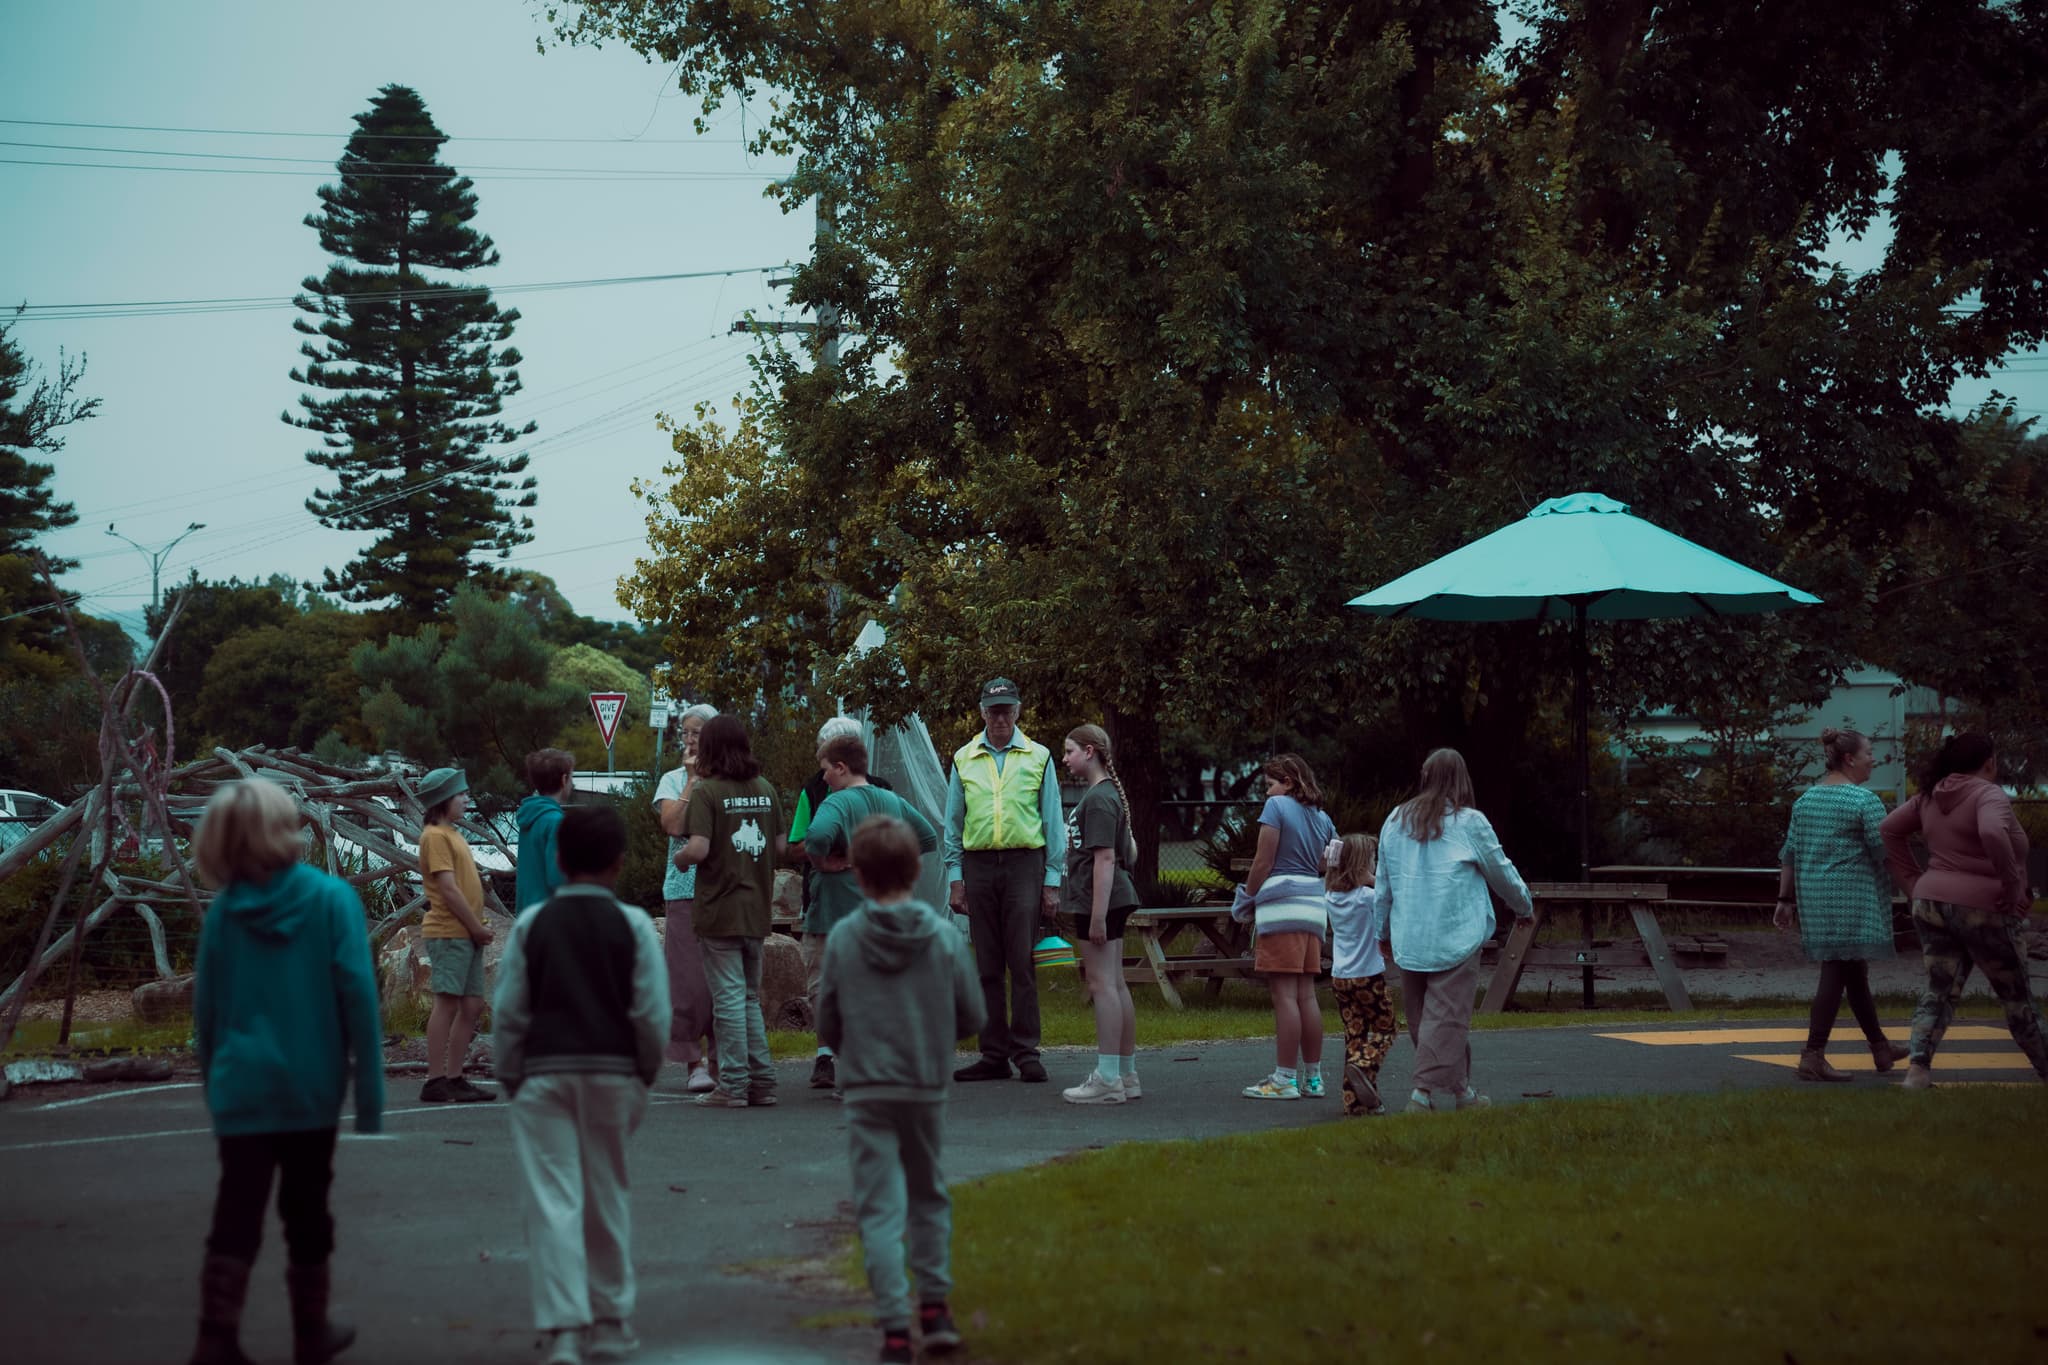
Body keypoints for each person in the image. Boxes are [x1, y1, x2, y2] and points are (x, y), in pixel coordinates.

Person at [188, 778, 383, 1365]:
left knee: (237, 1208)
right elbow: (358, 999)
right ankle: (309, 1330)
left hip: (240, 1088)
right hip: (309, 1086)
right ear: (284, 827)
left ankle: (215, 1337)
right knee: (307, 1209)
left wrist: (213, 1090)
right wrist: (369, 1097)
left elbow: (209, 1012)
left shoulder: (223, 914)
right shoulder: (331, 900)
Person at [494, 806, 670, 1365]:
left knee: (553, 1200)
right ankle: (613, 1321)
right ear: (620, 863)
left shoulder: (530, 926)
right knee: (606, 1193)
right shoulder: (636, 926)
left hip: (544, 1072)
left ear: (559, 859)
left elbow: (510, 1014)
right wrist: (644, 1070)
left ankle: (565, 1329)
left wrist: (510, 1074)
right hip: (614, 1071)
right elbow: (650, 1013)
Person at [816, 816, 984, 1365]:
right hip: (925, 1082)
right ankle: (935, 1308)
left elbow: (828, 1018)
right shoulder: (940, 937)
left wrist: (848, 1050)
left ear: (859, 876)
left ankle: (893, 1328)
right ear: (917, 870)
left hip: (866, 1085)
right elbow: (971, 1014)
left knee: (879, 1208)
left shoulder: (844, 938)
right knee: (928, 1193)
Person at [1880, 732, 2048, 1089]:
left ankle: (1918, 1071)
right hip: (1984, 907)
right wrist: (2011, 883)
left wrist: (1912, 882)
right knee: (2016, 995)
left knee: (1938, 989)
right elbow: (1990, 832)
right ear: (1990, 762)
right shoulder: (1988, 794)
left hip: (1931, 903)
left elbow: (1888, 830)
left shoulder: (1929, 795)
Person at [1374, 748, 1531, 1113]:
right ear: (1462, 779)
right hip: (1456, 932)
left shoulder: (1395, 820)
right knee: (1446, 1018)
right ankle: (1421, 1095)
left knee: (1423, 1019)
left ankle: (1463, 1095)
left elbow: (1384, 884)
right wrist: (1524, 906)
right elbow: (1501, 871)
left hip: (1410, 934)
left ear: (1425, 775)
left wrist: (1380, 930)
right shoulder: (1469, 822)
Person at [802, 731, 940, 1093]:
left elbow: (816, 836)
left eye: (826, 770)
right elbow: (927, 837)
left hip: (836, 911)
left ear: (842, 768)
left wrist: (824, 862)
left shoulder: (837, 802)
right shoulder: (889, 800)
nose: (824, 778)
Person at [943, 677, 1066, 1084]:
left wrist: (1051, 881)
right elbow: (952, 825)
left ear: (1017, 712)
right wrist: (955, 878)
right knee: (987, 965)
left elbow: (1053, 821)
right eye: (993, 710)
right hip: (979, 865)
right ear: (982, 712)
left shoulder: (1039, 756)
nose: (1000, 717)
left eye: (1006, 710)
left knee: (1022, 961)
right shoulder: (964, 757)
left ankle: (1026, 1051)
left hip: (1023, 864)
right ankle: (993, 1054)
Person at [1772, 728, 1909, 1082]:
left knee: (1852, 971)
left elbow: (1790, 853)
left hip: (1815, 900)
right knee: (1837, 971)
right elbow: (1886, 855)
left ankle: (1880, 1047)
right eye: (1869, 753)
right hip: (1852, 900)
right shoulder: (1864, 801)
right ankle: (1813, 1054)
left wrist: (1784, 900)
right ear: (1849, 759)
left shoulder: (1805, 801)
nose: (1874, 759)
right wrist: (1914, 889)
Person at [676, 713, 785, 1108]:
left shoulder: (707, 792)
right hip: (756, 908)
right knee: (749, 998)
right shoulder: (766, 789)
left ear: (710, 748)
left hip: (719, 908)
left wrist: (682, 859)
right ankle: (763, 1082)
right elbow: (781, 847)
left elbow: (699, 848)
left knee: (727, 999)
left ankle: (733, 1085)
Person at [1230, 754, 1336, 1100]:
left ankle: (1284, 1079)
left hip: (1282, 906)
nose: (1267, 793)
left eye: (1270, 785)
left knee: (1284, 996)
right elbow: (1328, 861)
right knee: (1306, 994)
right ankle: (1314, 1078)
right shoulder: (1322, 817)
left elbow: (1264, 860)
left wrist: (1246, 897)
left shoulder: (1277, 808)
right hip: (1313, 906)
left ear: (1288, 782)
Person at [1055, 724, 1142, 1105]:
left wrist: (1096, 916)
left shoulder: (1101, 799)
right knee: (1115, 983)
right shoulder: (1101, 795)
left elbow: (1105, 858)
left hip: (1100, 900)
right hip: (1103, 900)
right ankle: (1125, 1074)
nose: (1064, 758)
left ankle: (1108, 1079)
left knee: (1102, 985)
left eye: (1069, 751)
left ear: (1089, 751)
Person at [415, 766, 495, 1103]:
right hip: (450, 932)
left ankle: (455, 1075)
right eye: (460, 794)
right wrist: (475, 926)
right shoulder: (435, 836)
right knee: (447, 1003)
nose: (466, 799)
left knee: (473, 1004)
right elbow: (447, 888)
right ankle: (435, 1080)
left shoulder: (453, 834)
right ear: (443, 800)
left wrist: (477, 927)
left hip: (467, 935)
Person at [654, 704, 719, 1093]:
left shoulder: (729, 778)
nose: (690, 740)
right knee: (687, 981)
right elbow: (674, 825)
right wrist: (692, 780)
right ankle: (693, 1062)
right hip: (684, 890)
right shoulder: (673, 779)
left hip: (721, 889)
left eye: (697, 732)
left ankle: (721, 1059)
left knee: (723, 982)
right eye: (685, 732)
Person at [1326, 832, 1396, 1117]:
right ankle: (1364, 1066)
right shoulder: (1367, 897)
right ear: (1362, 866)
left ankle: (1354, 1103)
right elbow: (1390, 899)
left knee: (1354, 1035)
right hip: (1368, 976)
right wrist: (1372, 880)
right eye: (1373, 860)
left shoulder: (1331, 897)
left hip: (1340, 976)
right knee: (1386, 1029)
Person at [516, 748, 574, 913]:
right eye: (572, 777)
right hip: (550, 917)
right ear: (564, 780)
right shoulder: (556, 822)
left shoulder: (530, 816)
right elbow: (558, 877)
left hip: (527, 913)